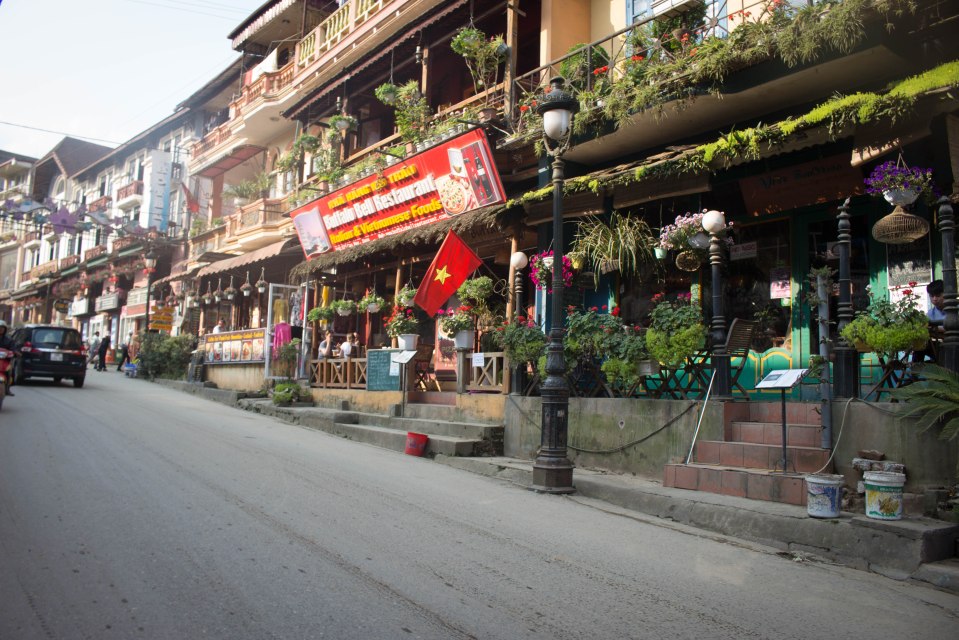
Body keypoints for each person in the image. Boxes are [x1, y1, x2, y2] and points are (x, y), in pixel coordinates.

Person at [0, 320, 16, 396]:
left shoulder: (9, 340)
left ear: (5, 329)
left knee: (10, 371)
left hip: (5, 361)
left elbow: (13, 349)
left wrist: (15, 352)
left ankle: (7, 388)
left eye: (2, 328)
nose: (0, 329)